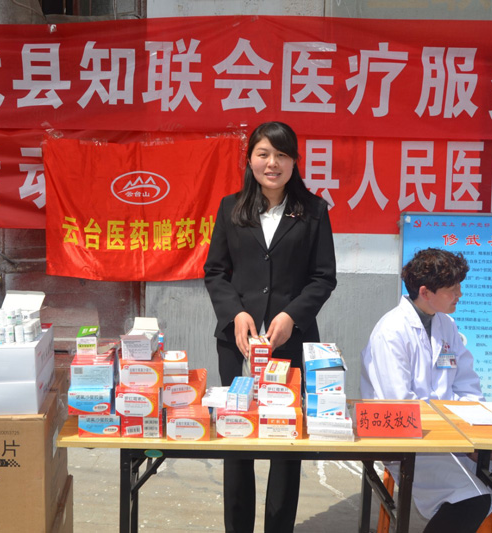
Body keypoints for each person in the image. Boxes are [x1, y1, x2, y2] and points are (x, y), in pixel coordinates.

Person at [204, 121, 337, 533]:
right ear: (250, 160)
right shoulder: (231, 208)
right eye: (263, 154)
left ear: (294, 162)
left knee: (286, 445)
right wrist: (235, 313)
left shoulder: (314, 211)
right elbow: (215, 271)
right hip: (239, 344)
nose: (272, 163)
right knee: (236, 438)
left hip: (290, 343)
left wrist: (291, 315)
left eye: (282, 155)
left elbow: (323, 277)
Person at [361, 248, 492, 533]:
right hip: (409, 442)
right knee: (471, 501)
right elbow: (400, 404)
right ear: (425, 292)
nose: (459, 294)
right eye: (452, 288)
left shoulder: (446, 324)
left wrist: (475, 437)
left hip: (452, 437)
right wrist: (462, 442)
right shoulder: (392, 331)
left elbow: (467, 384)